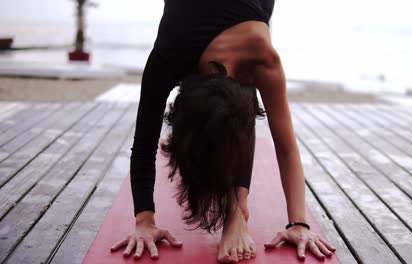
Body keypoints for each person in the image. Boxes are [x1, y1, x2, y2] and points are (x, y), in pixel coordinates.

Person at [110, 0, 336, 262]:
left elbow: (286, 147)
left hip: (251, 14)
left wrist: (299, 223)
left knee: (236, 105)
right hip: (194, 24)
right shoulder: (169, 55)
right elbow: (144, 143)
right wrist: (144, 219)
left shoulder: (263, 60)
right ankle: (235, 210)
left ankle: (237, 210)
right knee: (226, 109)